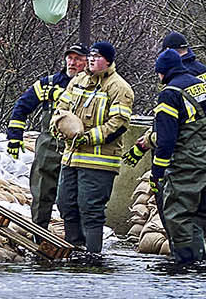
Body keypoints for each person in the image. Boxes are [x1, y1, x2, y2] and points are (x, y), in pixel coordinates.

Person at [45, 39, 140, 261]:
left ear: (108, 61)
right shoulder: (77, 81)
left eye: (97, 57)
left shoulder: (119, 88)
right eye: (91, 57)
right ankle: (74, 249)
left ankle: (92, 255)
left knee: (90, 209)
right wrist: (58, 127)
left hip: (99, 162)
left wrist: (88, 138)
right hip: (71, 158)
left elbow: (118, 123)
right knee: (66, 204)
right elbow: (61, 109)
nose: (92, 60)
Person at [147, 34, 206, 272]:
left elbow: (167, 140)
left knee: (179, 214)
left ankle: (186, 264)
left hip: (186, 165)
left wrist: (157, 172)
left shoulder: (169, 94)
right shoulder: (203, 86)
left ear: (162, 72)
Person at [6, 45, 81, 235]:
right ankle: (39, 236)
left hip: (79, 150)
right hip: (49, 147)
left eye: (77, 59)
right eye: (69, 58)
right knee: (41, 194)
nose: (72, 63)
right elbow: (22, 106)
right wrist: (15, 138)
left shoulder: (92, 85)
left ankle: (75, 241)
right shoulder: (49, 83)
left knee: (73, 199)